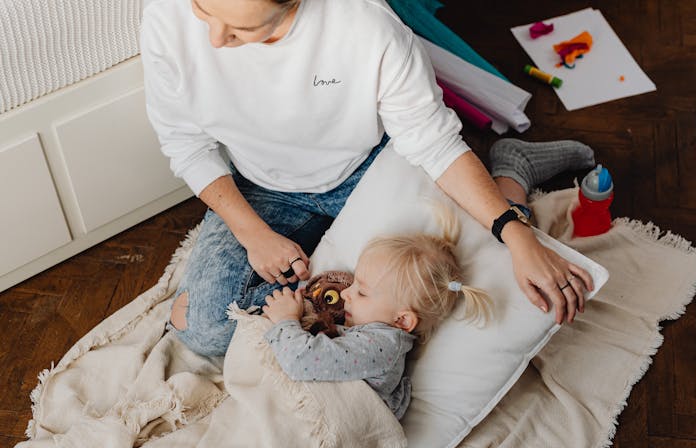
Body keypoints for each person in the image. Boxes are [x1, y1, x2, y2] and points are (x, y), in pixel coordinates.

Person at [140, 0, 594, 357]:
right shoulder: (165, 17)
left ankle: (511, 173)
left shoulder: (367, 28)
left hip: (370, 170)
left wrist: (518, 235)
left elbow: (434, 145)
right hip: (260, 189)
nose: (214, 39)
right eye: (204, 11)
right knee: (204, 331)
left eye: (241, 29)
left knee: (451, 283)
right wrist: (253, 234)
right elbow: (186, 144)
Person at [260, 216, 492, 419]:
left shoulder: (381, 348)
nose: (345, 293)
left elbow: (300, 361)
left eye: (361, 292)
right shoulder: (371, 333)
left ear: (401, 321)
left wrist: (286, 320)